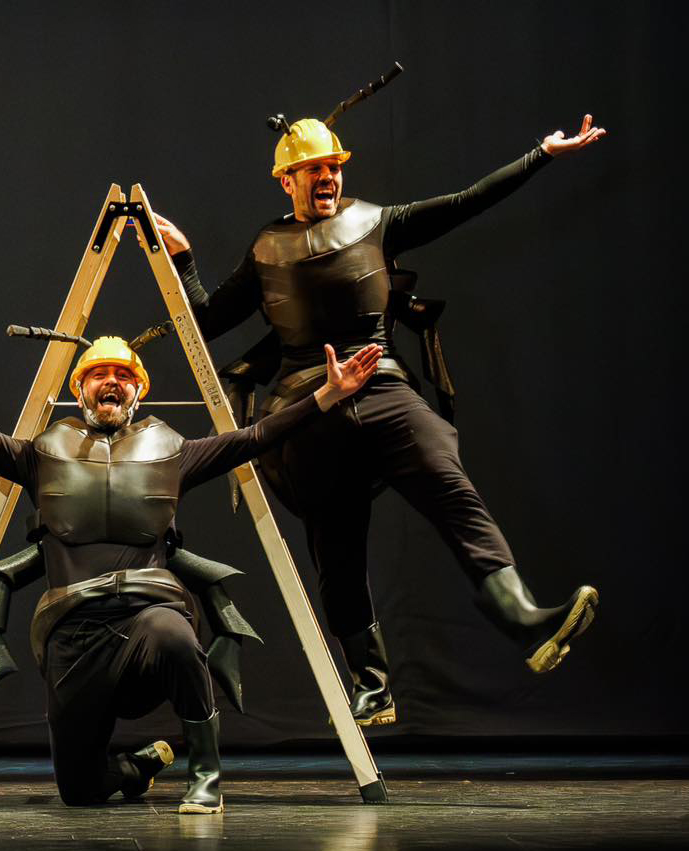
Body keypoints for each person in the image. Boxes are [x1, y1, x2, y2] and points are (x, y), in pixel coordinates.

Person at [150, 114, 605, 726]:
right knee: (334, 545)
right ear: (287, 180)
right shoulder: (266, 248)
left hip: (381, 385)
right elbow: (205, 324)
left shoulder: (375, 221)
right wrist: (183, 261)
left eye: (334, 167)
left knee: (450, 486)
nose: (328, 177)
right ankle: (372, 682)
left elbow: (466, 202)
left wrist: (540, 155)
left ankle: (523, 619)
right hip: (311, 405)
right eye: (314, 169)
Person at [0, 327, 381, 813]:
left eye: (123, 375)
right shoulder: (42, 453)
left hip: (148, 613)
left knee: (174, 636)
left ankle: (206, 776)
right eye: (99, 374)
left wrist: (327, 395)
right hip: (73, 633)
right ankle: (139, 765)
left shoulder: (172, 450)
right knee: (80, 791)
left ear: (138, 390)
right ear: (80, 390)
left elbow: (255, 438)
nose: (111, 382)